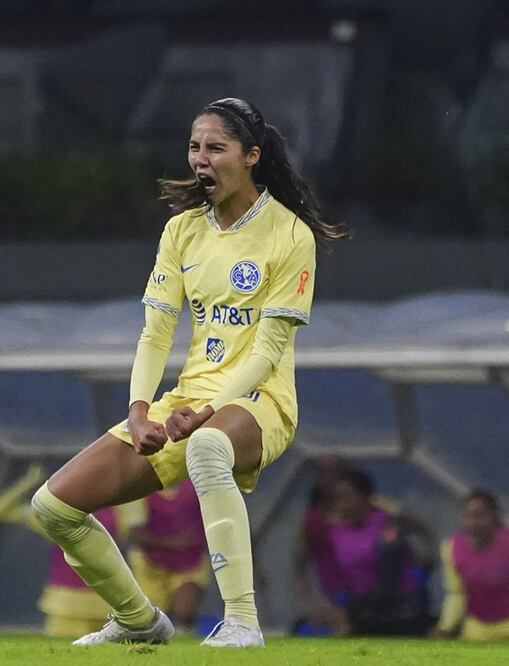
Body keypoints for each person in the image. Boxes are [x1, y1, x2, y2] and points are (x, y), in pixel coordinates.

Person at [28, 97, 348, 648]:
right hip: (187, 401)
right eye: (195, 147)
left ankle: (242, 622)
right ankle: (138, 620)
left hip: (260, 400)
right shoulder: (181, 231)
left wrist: (207, 412)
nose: (201, 158)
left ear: (251, 156)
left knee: (207, 447)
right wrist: (138, 411)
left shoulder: (289, 234)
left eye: (216, 147)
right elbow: (155, 335)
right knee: (53, 507)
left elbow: (267, 352)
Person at [0, 464, 123, 637]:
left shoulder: (56, 515)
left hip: (70, 604)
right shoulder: (117, 513)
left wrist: (29, 481)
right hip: (99, 604)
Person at [324, 469, 431, 636]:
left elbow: (419, 536)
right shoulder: (337, 532)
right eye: (337, 499)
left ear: (365, 497)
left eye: (347, 498)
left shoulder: (387, 523)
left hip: (397, 612)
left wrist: (424, 569)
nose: (341, 505)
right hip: (360, 611)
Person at [433, 491, 509, 640]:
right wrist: (445, 627)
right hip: (475, 631)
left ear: (495, 517)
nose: (473, 522)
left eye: (480, 516)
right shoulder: (450, 547)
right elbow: (457, 593)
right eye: (467, 516)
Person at [125, 480, 210, 633]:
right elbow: (136, 534)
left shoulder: (197, 484)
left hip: (190, 563)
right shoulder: (139, 490)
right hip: (151, 567)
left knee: (185, 610)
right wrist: (172, 543)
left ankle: (187, 632)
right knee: (152, 621)